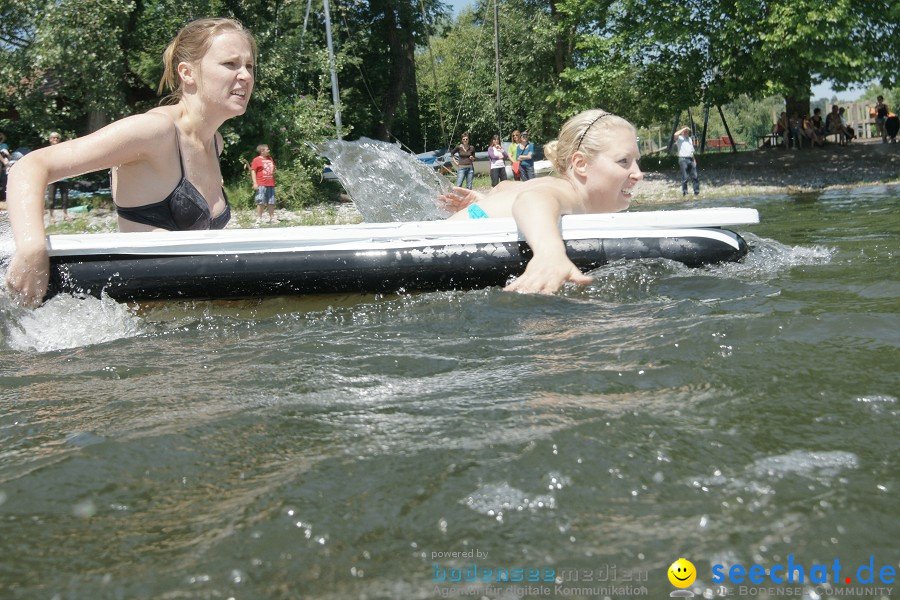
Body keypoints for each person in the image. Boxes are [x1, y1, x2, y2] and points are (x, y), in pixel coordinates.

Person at [6, 17, 257, 307]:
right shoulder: (153, 133)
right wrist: (31, 248)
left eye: (249, 66)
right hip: (137, 334)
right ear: (188, 73)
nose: (246, 76)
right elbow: (31, 166)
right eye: (231, 64)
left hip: (188, 327)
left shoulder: (215, 142)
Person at [439, 109, 643, 295]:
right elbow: (532, 199)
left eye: (637, 161)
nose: (638, 174)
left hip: (472, 220)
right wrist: (549, 252)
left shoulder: (554, 184)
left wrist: (485, 203)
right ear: (581, 164)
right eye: (623, 161)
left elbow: (506, 187)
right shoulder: (569, 193)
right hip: (447, 249)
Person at [44, 132, 71, 221]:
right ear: (50, 139)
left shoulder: (63, 150)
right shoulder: (46, 151)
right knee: (51, 198)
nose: (55, 139)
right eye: (53, 138)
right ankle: (51, 216)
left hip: (63, 177)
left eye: (57, 138)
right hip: (52, 177)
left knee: (65, 197)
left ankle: (65, 214)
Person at [250, 143, 277, 224]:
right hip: (261, 183)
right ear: (262, 151)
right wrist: (255, 183)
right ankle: (259, 218)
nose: (269, 151)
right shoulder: (256, 160)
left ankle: (272, 218)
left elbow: (273, 169)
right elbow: (253, 171)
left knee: (271, 201)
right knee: (260, 201)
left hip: (270, 183)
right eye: (267, 149)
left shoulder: (270, 159)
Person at [675, 126, 699, 196]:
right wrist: (683, 129)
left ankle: (696, 192)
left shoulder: (690, 139)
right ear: (682, 132)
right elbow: (675, 134)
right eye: (685, 131)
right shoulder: (679, 138)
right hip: (683, 159)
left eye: (687, 131)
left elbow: (691, 150)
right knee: (685, 177)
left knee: (695, 176)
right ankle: (685, 192)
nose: (686, 132)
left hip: (691, 159)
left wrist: (694, 160)